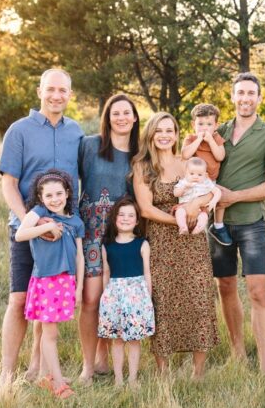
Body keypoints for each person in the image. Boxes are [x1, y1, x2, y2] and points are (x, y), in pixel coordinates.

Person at [0, 68, 84, 391]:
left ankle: (38, 369)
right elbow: (9, 185)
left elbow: (79, 184)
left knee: (46, 301)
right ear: (40, 91)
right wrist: (30, 222)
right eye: (51, 89)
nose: (56, 95)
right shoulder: (19, 131)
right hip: (27, 228)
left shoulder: (77, 133)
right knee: (19, 299)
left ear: (70, 95)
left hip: (61, 235)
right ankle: (6, 375)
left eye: (63, 90)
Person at [210, 73, 265, 374]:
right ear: (232, 97)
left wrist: (235, 196)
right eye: (240, 93)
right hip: (219, 226)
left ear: (259, 98)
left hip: (252, 223)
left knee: (258, 292)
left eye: (251, 93)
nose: (245, 98)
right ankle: (238, 353)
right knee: (225, 286)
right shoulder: (218, 133)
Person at [132, 112, 218, 379]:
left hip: (193, 243)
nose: (165, 135)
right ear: (150, 134)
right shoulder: (143, 166)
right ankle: (163, 371)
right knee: (164, 302)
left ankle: (198, 372)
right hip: (161, 241)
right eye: (159, 130)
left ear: (177, 134)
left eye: (170, 130)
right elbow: (145, 209)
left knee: (199, 298)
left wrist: (194, 206)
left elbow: (210, 189)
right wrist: (178, 218)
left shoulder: (188, 162)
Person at [76, 93, 140, 384]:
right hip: (90, 231)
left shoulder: (140, 154)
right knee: (91, 298)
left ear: (135, 117)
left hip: (123, 235)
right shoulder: (89, 146)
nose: (121, 118)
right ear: (107, 117)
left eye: (127, 113)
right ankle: (88, 367)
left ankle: (108, 359)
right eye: (115, 113)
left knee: (115, 297)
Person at [14, 170, 85, 399]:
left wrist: (80, 287)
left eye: (59, 194)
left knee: (52, 333)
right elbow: (21, 234)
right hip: (46, 282)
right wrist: (47, 226)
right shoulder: (39, 213)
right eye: (49, 196)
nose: (55, 199)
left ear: (67, 193)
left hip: (67, 281)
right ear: (41, 198)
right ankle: (58, 384)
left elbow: (80, 257)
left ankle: (48, 375)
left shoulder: (75, 220)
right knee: (50, 333)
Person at [97, 197, 155, 388]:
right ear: (114, 218)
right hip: (115, 295)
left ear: (137, 221)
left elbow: (147, 272)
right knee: (118, 339)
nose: (125, 218)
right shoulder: (107, 245)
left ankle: (132, 379)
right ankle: (119, 380)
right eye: (121, 215)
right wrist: (106, 296)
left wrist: (148, 297)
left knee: (134, 340)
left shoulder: (142, 244)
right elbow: (106, 272)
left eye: (131, 215)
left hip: (137, 295)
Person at [181, 103, 232, 245]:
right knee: (192, 206)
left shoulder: (216, 138)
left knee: (220, 199)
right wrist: (198, 140)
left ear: (216, 126)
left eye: (209, 124)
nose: (204, 128)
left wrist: (210, 141)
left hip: (211, 182)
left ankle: (218, 225)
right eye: (200, 124)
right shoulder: (191, 139)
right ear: (193, 125)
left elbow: (220, 156)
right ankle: (188, 227)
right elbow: (185, 154)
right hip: (194, 181)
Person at [173, 157, 223, 234]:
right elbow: (176, 193)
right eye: (192, 173)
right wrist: (184, 188)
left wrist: (213, 201)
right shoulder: (184, 182)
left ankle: (198, 228)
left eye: (200, 174)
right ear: (186, 173)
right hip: (184, 206)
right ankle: (183, 226)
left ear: (205, 175)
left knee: (204, 216)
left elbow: (217, 191)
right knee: (179, 212)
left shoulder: (206, 182)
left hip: (200, 208)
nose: (195, 176)